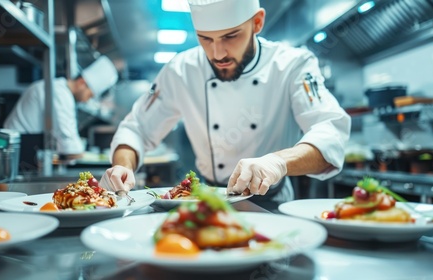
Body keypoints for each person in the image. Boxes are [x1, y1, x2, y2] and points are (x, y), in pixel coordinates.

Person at [100, 0, 351, 207]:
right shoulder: (182, 69)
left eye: (231, 36)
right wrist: (122, 167)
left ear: (257, 22)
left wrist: (278, 162)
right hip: (204, 200)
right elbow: (137, 128)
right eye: (205, 39)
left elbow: (330, 132)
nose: (217, 54)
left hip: (271, 204)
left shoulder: (293, 65)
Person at [4, 56, 118, 157]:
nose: (87, 100)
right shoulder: (60, 93)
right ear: (82, 83)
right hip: (16, 149)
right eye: (90, 95)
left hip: (23, 147)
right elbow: (69, 146)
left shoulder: (61, 90)